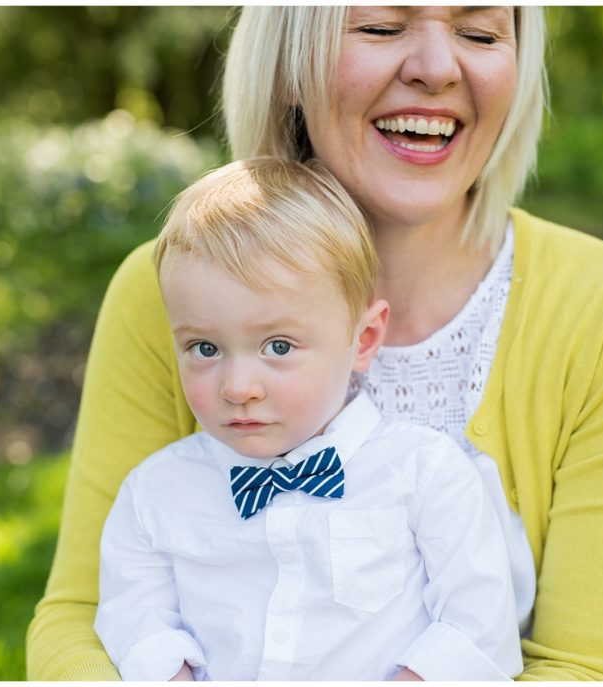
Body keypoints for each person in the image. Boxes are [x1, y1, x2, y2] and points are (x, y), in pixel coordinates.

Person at [28, 7, 603, 681]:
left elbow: (592, 668)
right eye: (381, 26)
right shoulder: (170, 291)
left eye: (479, 32)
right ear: (289, 64)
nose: (437, 68)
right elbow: (87, 617)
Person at [94, 158, 523, 681]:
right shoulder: (155, 494)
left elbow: (480, 627)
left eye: (278, 346)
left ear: (363, 339)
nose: (238, 388)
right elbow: (133, 618)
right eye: (204, 347)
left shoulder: (424, 475)